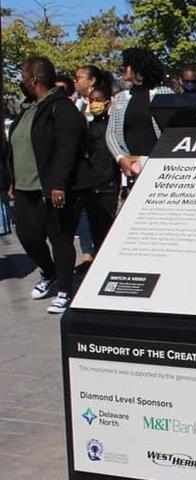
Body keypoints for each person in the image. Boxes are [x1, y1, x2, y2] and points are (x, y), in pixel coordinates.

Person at [8, 57, 95, 313]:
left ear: (35, 78)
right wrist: (13, 180)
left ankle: (65, 289)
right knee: (28, 235)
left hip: (54, 189)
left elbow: (68, 149)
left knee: (61, 239)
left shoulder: (61, 107)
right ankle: (49, 273)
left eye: (23, 75)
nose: (21, 81)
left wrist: (58, 184)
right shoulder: (29, 109)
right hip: (25, 189)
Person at [106, 47, 174, 179]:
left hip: (160, 165)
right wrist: (120, 158)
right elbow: (111, 133)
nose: (122, 69)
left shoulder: (164, 94)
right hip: (131, 167)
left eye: (126, 66)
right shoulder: (121, 97)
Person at [81, 82, 119, 254]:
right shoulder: (87, 127)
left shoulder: (113, 126)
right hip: (91, 183)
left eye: (99, 100)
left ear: (107, 102)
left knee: (108, 224)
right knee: (94, 226)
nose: (95, 103)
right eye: (92, 100)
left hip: (109, 183)